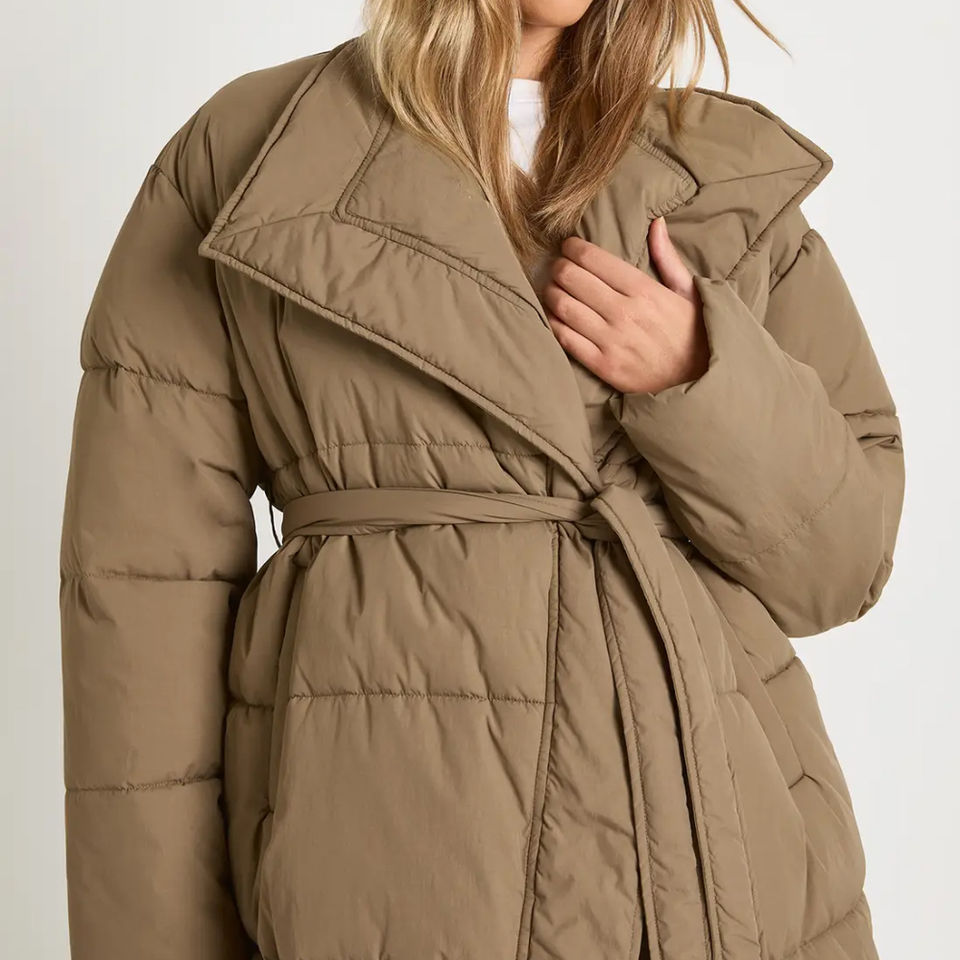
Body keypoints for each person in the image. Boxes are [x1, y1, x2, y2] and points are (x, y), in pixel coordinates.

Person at [58, 2, 904, 959]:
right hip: (400, 853)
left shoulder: (718, 169)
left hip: (722, 859)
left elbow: (842, 565)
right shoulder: (259, 150)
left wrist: (702, 376)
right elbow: (140, 599)